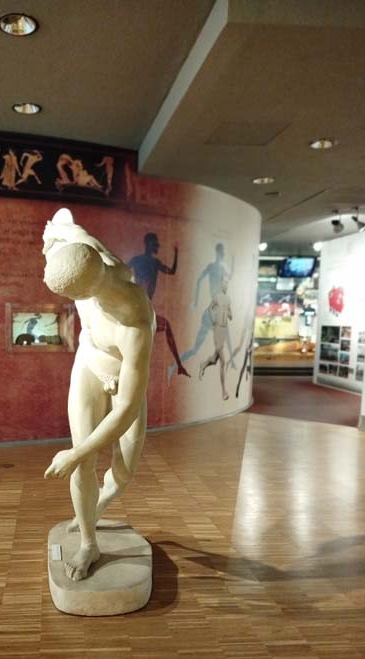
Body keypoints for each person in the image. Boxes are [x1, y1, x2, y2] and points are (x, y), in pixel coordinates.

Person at [42, 209, 155, 582]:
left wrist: (73, 453)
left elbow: (125, 410)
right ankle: (89, 543)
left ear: (83, 292)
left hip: (122, 380)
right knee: (84, 463)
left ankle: (97, 504)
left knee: (123, 472)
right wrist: (49, 236)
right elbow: (62, 223)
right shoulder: (84, 248)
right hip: (89, 364)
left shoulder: (134, 322)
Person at [128, 232, 189, 378]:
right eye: (155, 244)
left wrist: (176, 254)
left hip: (144, 308)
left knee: (164, 327)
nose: (158, 246)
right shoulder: (141, 261)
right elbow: (122, 270)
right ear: (149, 244)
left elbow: (171, 271)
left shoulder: (152, 263)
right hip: (139, 308)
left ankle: (179, 365)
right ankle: (179, 365)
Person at [181, 242, 234, 366]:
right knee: (196, 348)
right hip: (213, 312)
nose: (224, 254)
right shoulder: (214, 267)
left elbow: (229, 277)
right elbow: (199, 280)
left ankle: (232, 361)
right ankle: (174, 366)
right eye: (222, 252)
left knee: (198, 348)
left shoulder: (220, 268)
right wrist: (195, 302)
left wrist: (234, 261)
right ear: (218, 252)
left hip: (214, 311)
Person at [198, 274, 232, 400]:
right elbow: (209, 308)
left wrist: (229, 314)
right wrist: (213, 319)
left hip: (224, 330)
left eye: (227, 282)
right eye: (224, 282)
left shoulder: (228, 299)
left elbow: (230, 313)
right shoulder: (217, 297)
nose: (226, 285)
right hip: (217, 329)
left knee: (214, 359)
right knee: (224, 361)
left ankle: (204, 364)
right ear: (220, 284)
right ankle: (224, 391)